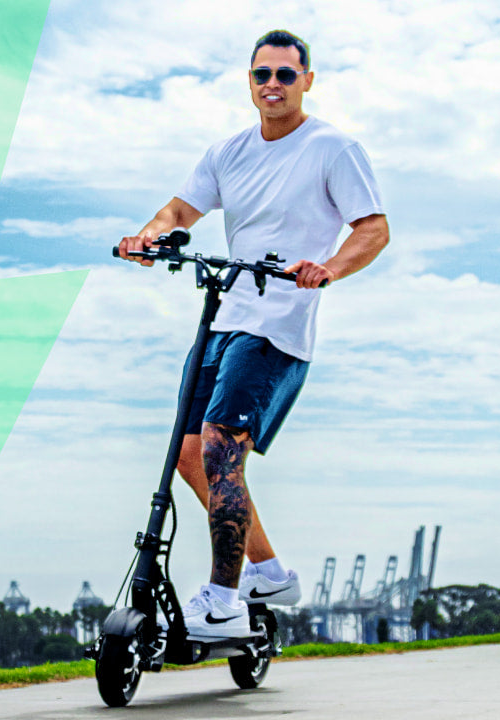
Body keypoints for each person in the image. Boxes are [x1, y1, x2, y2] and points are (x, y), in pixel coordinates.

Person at [115, 29, 390, 640]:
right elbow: (179, 213)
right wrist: (146, 237)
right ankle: (270, 573)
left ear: (307, 82)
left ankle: (223, 599)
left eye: (286, 75)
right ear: (249, 81)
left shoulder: (333, 149)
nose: (273, 85)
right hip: (225, 314)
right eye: (262, 74)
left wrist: (329, 268)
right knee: (190, 457)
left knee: (219, 448)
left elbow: (373, 228)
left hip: (278, 323)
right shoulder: (228, 152)